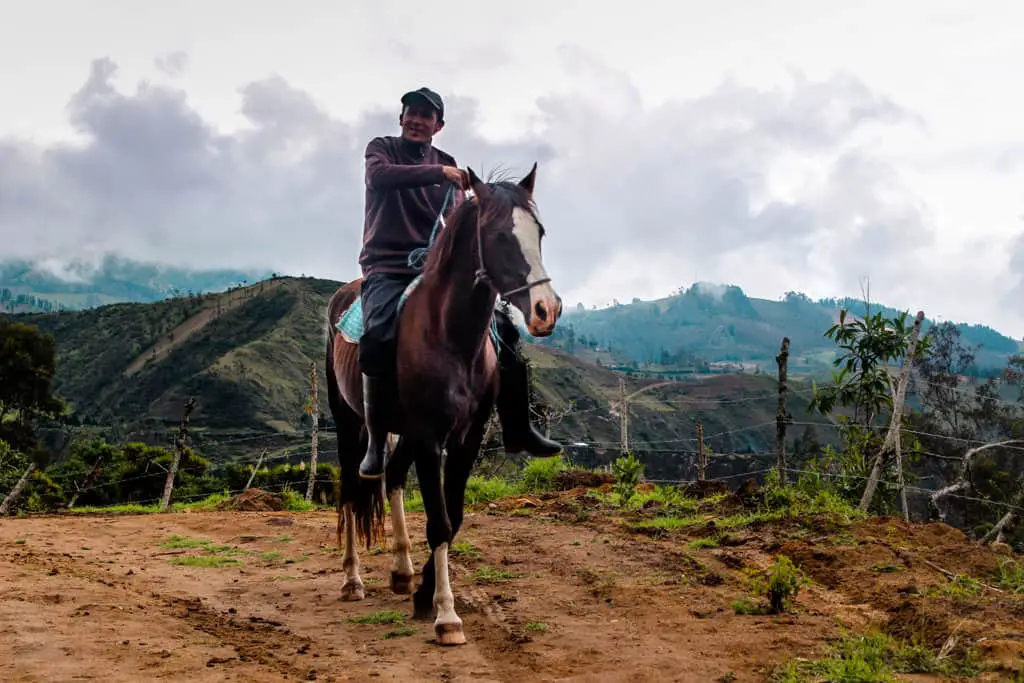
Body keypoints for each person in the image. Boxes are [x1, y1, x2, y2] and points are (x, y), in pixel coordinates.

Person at [356, 87, 562, 479]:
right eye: (411, 113)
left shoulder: (448, 163)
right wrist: (440, 173)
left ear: (439, 125)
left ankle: (519, 429)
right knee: (377, 334)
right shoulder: (381, 149)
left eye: (427, 116)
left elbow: (454, 223)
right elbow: (379, 178)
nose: (418, 120)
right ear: (401, 119)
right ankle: (374, 441)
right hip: (386, 267)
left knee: (505, 335)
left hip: (434, 271)